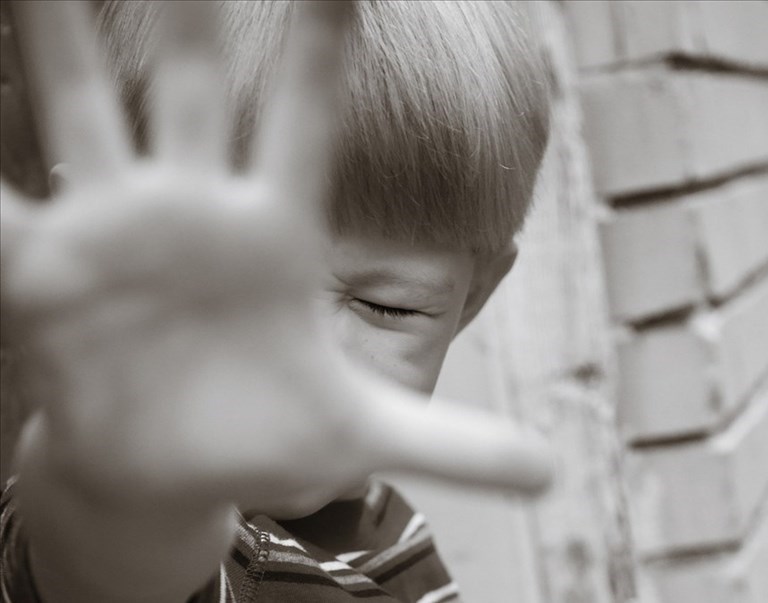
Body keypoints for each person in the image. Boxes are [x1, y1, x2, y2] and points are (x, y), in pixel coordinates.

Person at [0, 1, 553, 601]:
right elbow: (109, 565)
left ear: (473, 299)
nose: (301, 353)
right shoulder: (133, 506)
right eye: (221, 291)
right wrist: (130, 498)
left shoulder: (397, 545)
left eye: (388, 307)